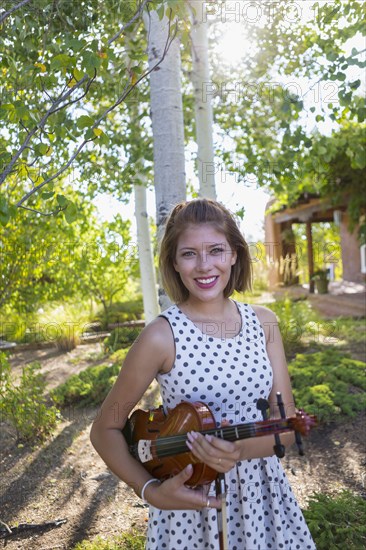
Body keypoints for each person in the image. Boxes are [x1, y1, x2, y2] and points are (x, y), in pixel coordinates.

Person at [90, 198, 316, 550]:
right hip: (189, 505)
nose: (204, 265)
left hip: (263, 497)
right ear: (174, 264)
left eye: (215, 250)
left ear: (234, 255)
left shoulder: (264, 322)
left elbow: (284, 426)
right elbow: (105, 429)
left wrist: (237, 451)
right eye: (189, 254)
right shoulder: (161, 336)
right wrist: (151, 492)